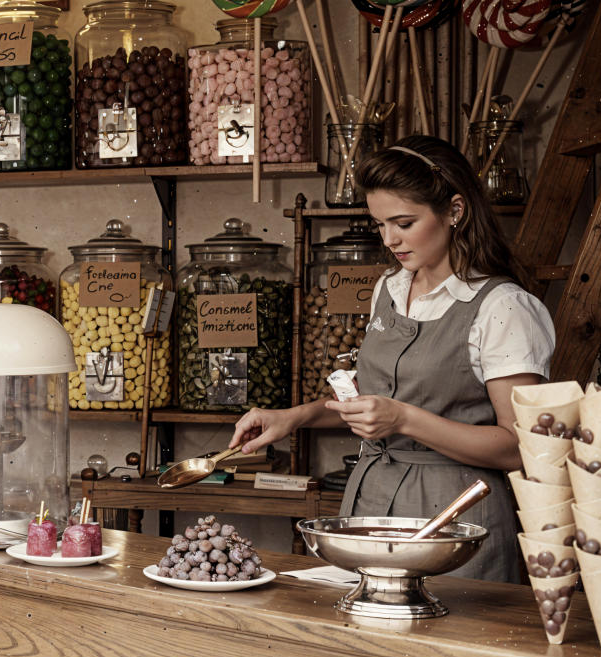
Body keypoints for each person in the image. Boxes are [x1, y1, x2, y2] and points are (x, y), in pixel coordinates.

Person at [229, 135, 553, 582]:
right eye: (380, 224)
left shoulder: (503, 307)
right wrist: (294, 417)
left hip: (454, 517)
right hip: (371, 502)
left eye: (404, 223)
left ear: (455, 211)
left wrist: (402, 419)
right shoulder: (390, 288)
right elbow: (374, 401)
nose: (390, 239)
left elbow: (518, 447)